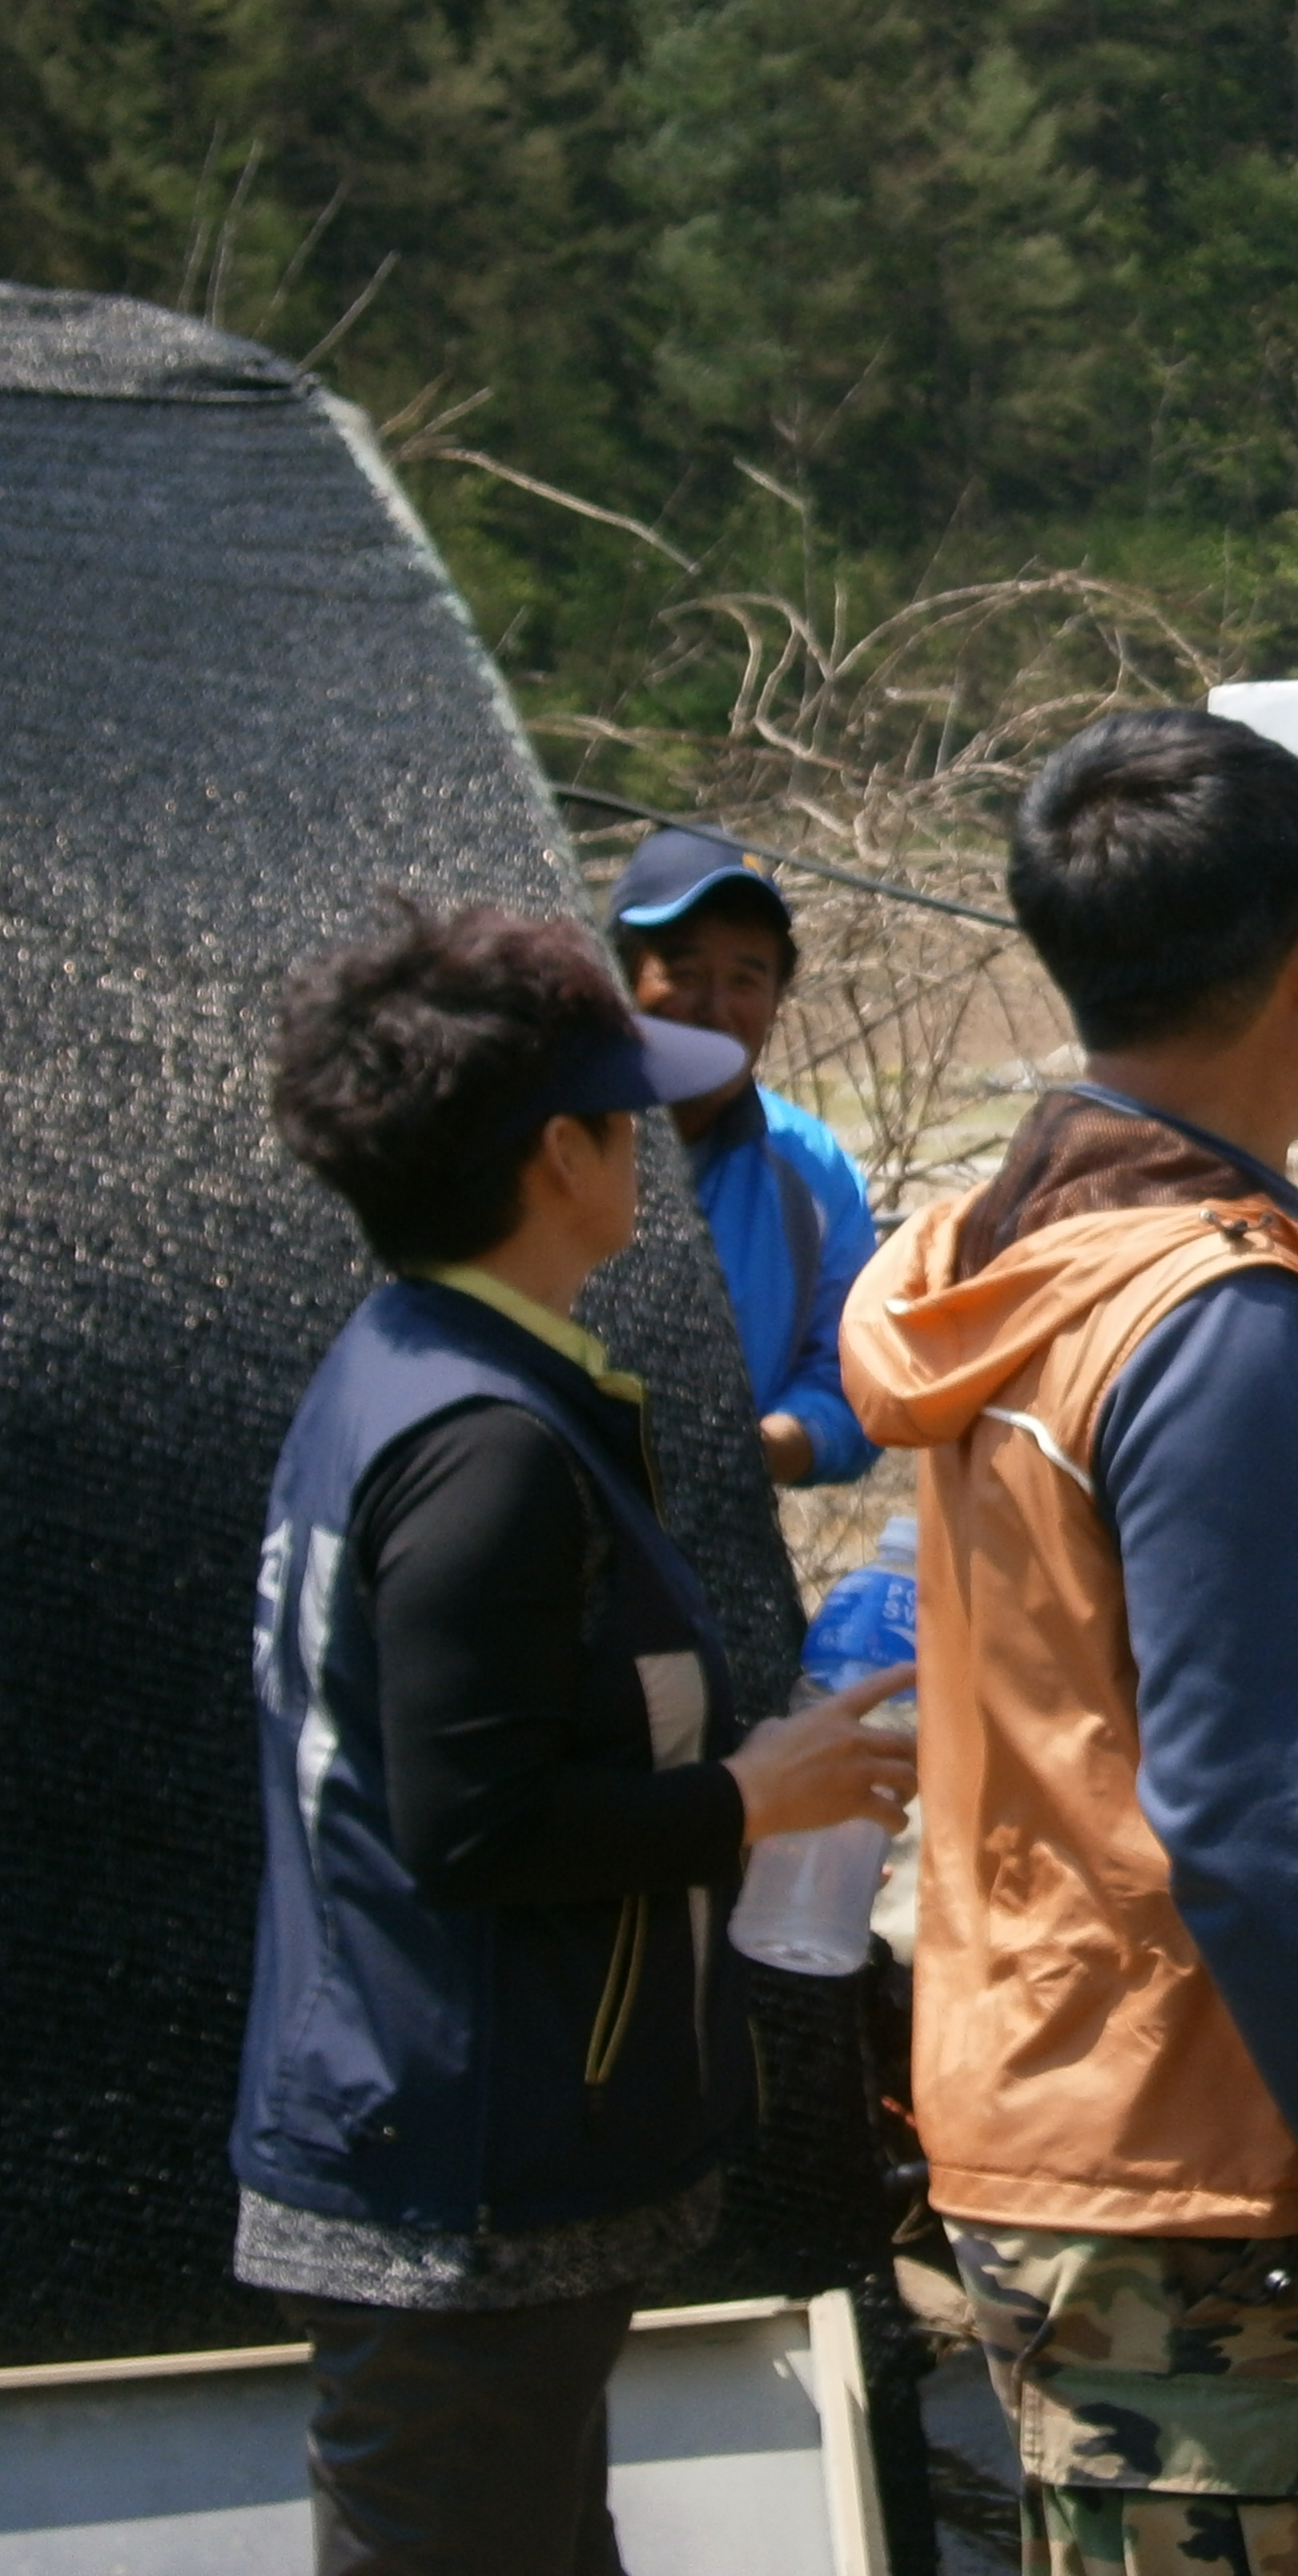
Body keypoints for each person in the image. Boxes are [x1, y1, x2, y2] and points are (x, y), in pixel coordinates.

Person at [837, 707, 1298, 2576]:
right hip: (1213, 2172)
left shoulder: (1003, 1255)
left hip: (1085, 2098)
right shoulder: (1220, 1323)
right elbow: (1256, 1831)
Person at [239, 901, 918, 2575]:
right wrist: (746, 1800)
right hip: (461, 2166)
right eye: (628, 1115)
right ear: (561, 1155)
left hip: (460, 2138)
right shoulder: (486, 1444)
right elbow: (472, 1824)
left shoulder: (416, 1365)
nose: (652, 1145)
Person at [605, 826, 879, 1487]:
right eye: (684, 973)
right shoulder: (549, 1140)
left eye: (746, 979)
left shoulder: (812, 1170)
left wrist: (769, 1446)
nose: (715, 1008)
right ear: (617, 979)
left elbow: (855, 1377)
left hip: (712, 1529)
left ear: (778, 1000)